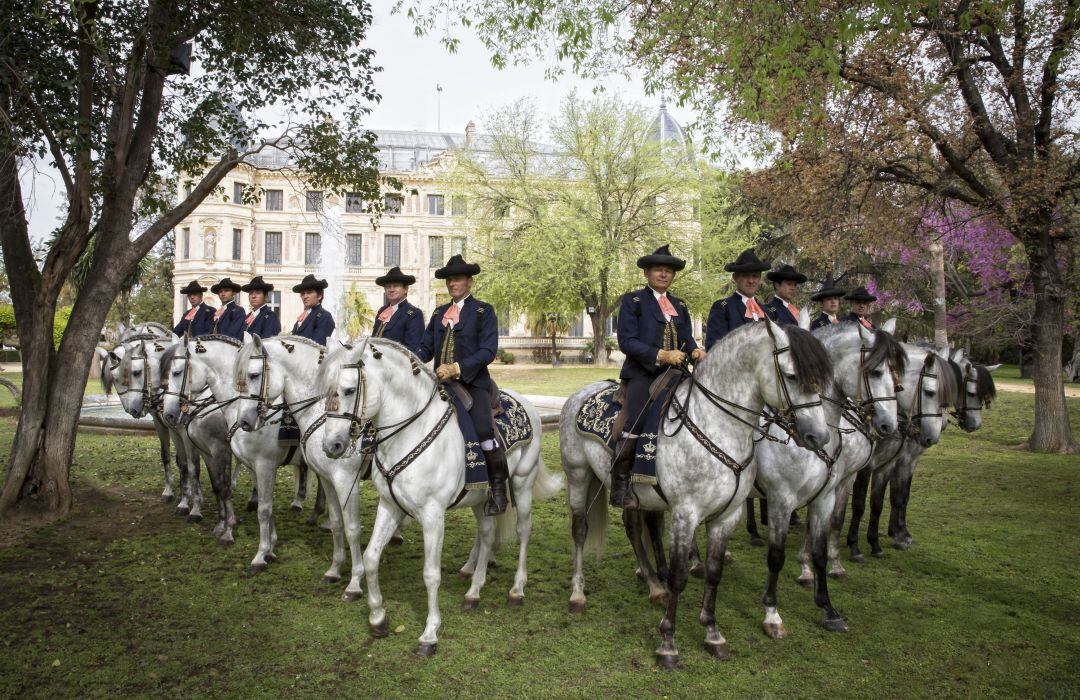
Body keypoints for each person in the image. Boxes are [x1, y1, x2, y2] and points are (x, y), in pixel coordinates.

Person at [610, 245, 704, 509]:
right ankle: (621, 482)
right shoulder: (633, 302)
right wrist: (661, 354)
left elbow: (685, 338)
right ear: (647, 273)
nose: (664, 275)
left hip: (677, 373)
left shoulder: (680, 305)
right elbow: (626, 341)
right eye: (658, 270)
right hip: (642, 373)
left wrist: (695, 349)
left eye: (668, 271)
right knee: (635, 420)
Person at [417, 254, 507, 515]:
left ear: (469, 282)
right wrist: (412, 359)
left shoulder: (483, 311)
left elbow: (488, 350)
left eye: (457, 279)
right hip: (438, 384)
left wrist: (458, 368)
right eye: (449, 280)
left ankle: (498, 490)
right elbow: (425, 347)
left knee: (482, 430)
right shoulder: (438, 313)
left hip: (471, 384)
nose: (452, 283)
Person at [704, 248, 772, 350]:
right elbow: (714, 348)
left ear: (760, 278)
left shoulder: (768, 311)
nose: (751, 281)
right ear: (735, 277)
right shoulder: (723, 308)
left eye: (755, 276)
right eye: (745, 276)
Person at [372, 266, 425, 355]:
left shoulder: (414, 314)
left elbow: (412, 349)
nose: (391, 289)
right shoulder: (382, 310)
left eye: (396, 286)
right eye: (388, 286)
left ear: (405, 289)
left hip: (396, 366)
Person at [291, 274, 336, 345]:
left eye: (309, 292)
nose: (305, 296)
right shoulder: (301, 318)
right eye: (303, 293)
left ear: (319, 296)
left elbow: (317, 347)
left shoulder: (324, 316)